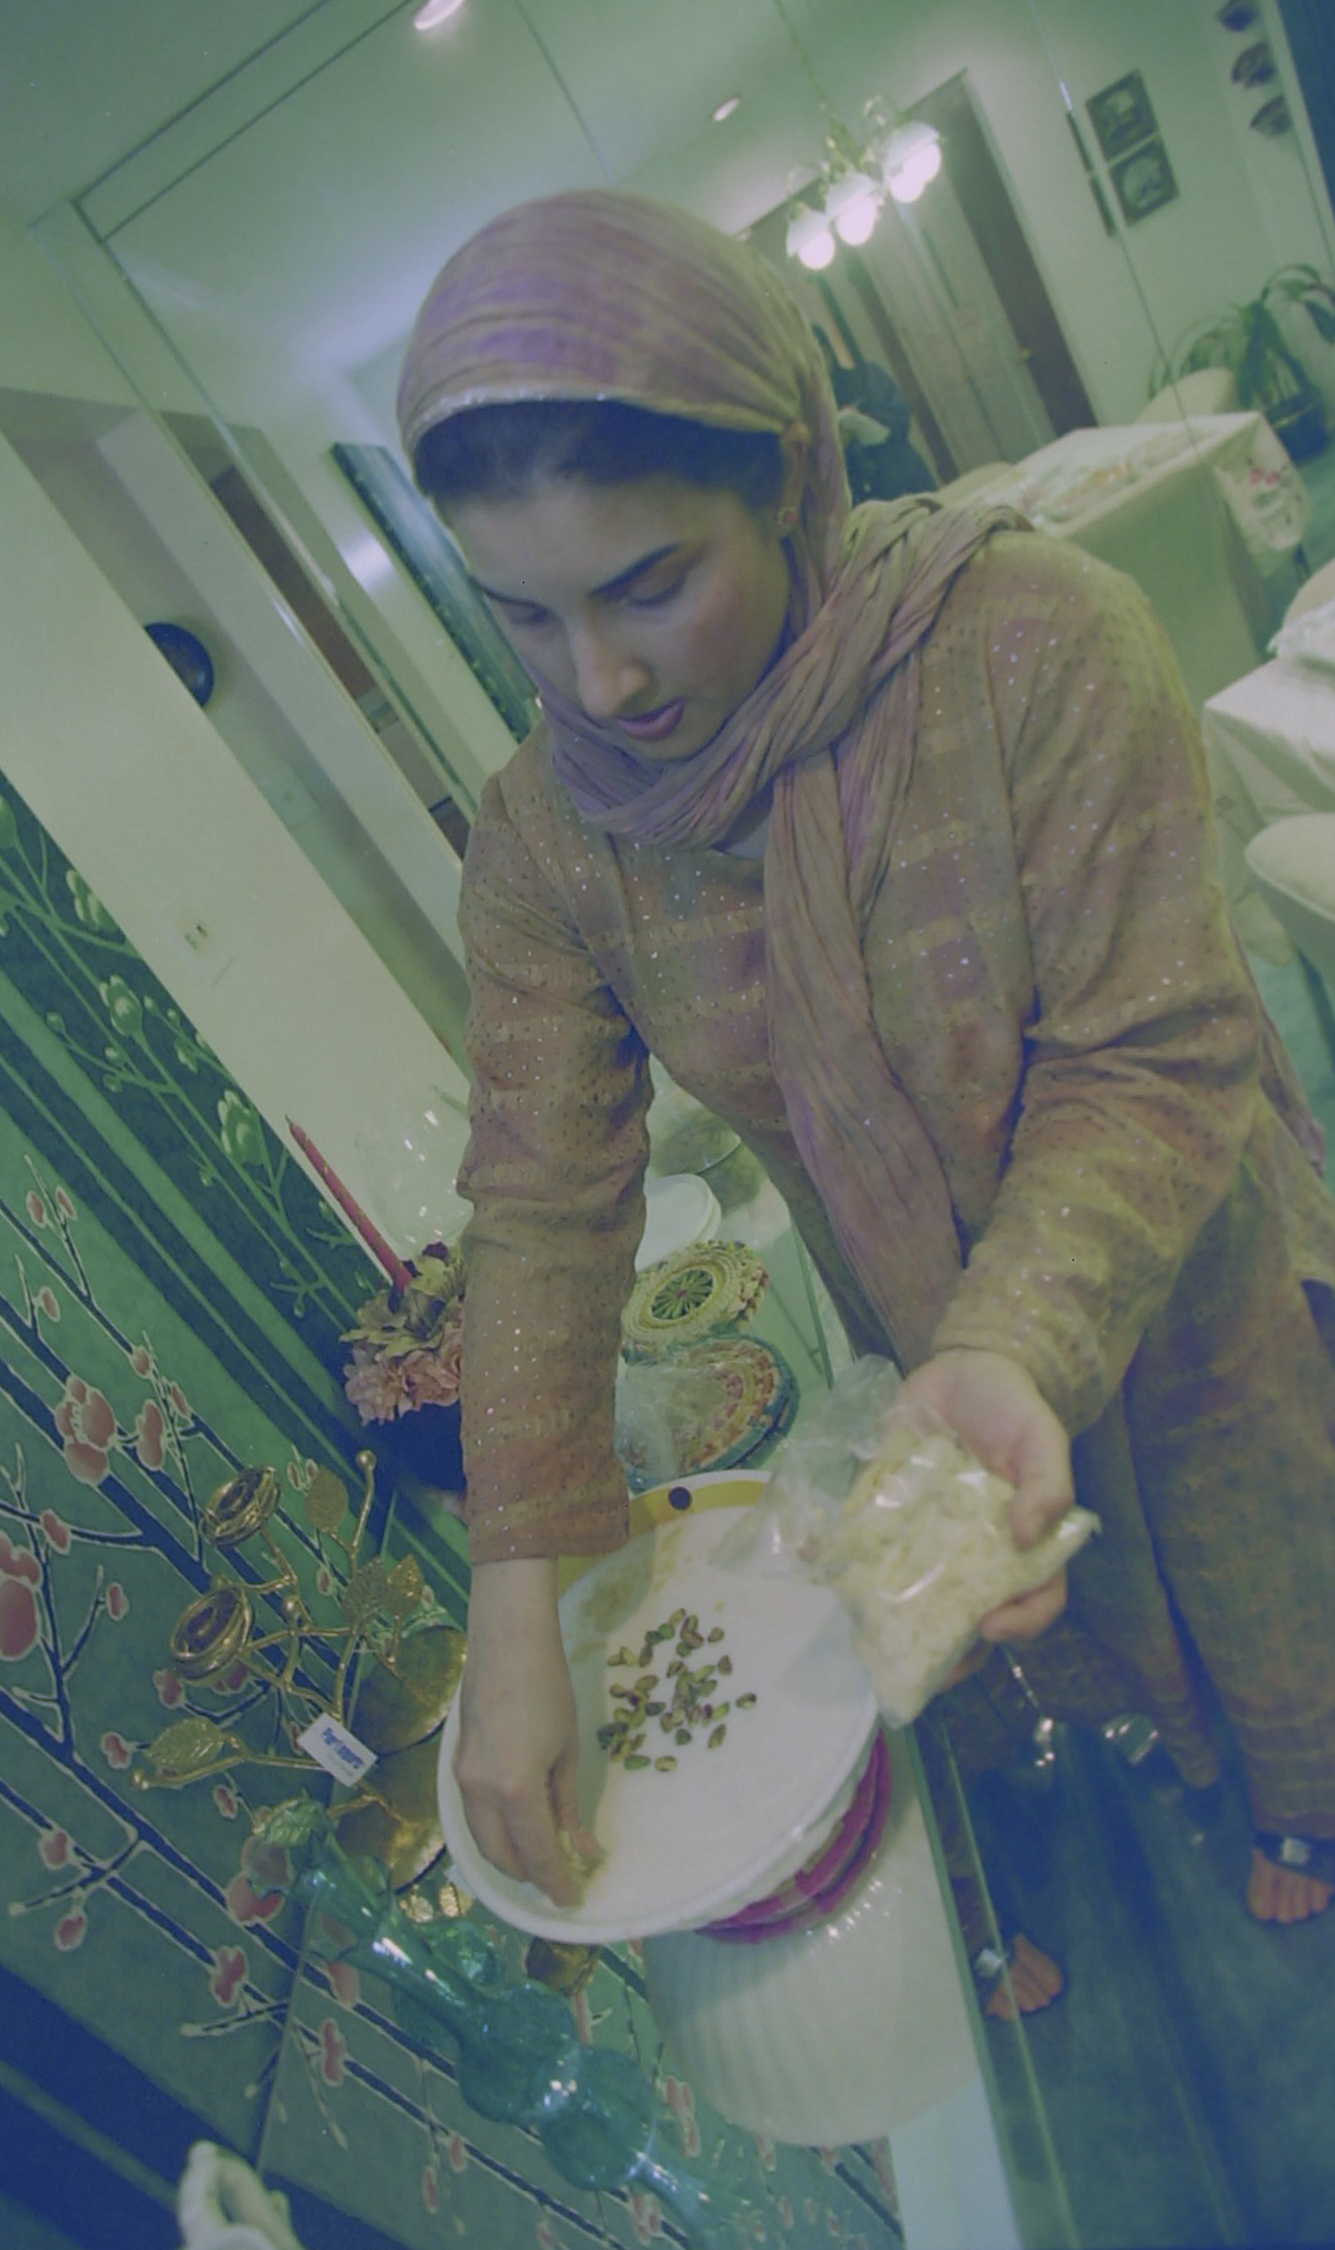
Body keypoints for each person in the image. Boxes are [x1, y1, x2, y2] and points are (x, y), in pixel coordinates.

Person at [395, 190, 1335, 1995]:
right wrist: (514, 1599)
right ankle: (1211, 1760)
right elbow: (540, 1203)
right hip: (921, 1306)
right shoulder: (547, 844)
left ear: (784, 472)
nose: (598, 679)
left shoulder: (1033, 640)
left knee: (1258, 1533)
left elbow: (1147, 1047)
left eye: (648, 585)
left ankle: (1304, 1792)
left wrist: (1012, 1335)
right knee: (1080, 1594)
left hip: (1166, 1249)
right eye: (522, 614)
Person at [811, 324, 936, 501]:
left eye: (820, 353)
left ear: (828, 350)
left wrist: (861, 420)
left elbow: (899, 417)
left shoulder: (866, 377)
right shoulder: (810, 409)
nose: (817, 364)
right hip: (862, 496)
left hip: (901, 473)